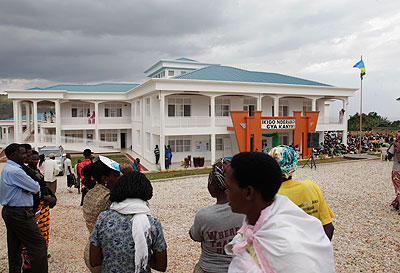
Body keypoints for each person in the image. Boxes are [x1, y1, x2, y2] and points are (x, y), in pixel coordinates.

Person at [224, 152, 335, 273]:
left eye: (229, 188)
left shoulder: (288, 249)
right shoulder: (259, 220)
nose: (226, 193)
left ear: (249, 192)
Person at [89, 171, 167, 272]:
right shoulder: (152, 223)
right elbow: (161, 266)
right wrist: (141, 256)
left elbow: (94, 261)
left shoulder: (103, 219)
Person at [190, 158, 244, 273]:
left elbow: (195, 236)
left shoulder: (204, 215)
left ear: (214, 185)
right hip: (238, 267)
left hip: (208, 268)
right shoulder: (245, 209)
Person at [0, 143, 48, 273]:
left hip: (12, 212)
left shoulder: (9, 168)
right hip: (19, 213)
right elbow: (35, 187)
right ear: (13, 155)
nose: (25, 156)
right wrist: (29, 188)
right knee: (38, 244)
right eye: (22, 153)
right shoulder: (15, 171)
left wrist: (27, 189)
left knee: (15, 247)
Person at [269, 145, 335, 240]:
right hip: (312, 250)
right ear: (294, 165)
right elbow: (328, 227)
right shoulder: (311, 186)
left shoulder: (269, 195)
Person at [82, 156, 132, 272]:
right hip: (107, 256)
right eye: (117, 176)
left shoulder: (92, 192)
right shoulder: (108, 198)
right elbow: (139, 197)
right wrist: (130, 175)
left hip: (92, 250)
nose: (119, 179)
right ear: (104, 179)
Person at [388, 131, 400, 211]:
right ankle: (396, 204)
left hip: (396, 170)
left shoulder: (395, 145)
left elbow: (389, 156)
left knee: (398, 189)